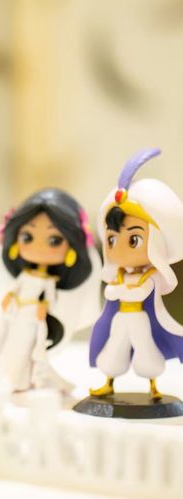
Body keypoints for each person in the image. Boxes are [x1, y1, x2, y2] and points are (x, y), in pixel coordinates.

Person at [0, 188, 101, 392]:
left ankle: (22, 380)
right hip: (16, 313)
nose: (39, 247)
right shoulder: (25, 276)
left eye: (54, 240)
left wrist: (44, 308)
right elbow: (15, 288)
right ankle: (7, 377)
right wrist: (9, 297)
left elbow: (50, 299)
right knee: (7, 344)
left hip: (33, 318)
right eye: (27, 237)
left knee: (28, 349)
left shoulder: (49, 282)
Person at [89, 148, 183, 400]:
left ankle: (153, 385)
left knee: (146, 349)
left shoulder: (149, 276)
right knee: (114, 347)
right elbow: (111, 293)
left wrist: (120, 289)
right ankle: (109, 381)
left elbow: (140, 292)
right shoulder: (120, 275)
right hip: (121, 319)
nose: (119, 248)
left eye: (133, 240)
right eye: (112, 239)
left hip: (141, 319)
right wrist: (117, 289)